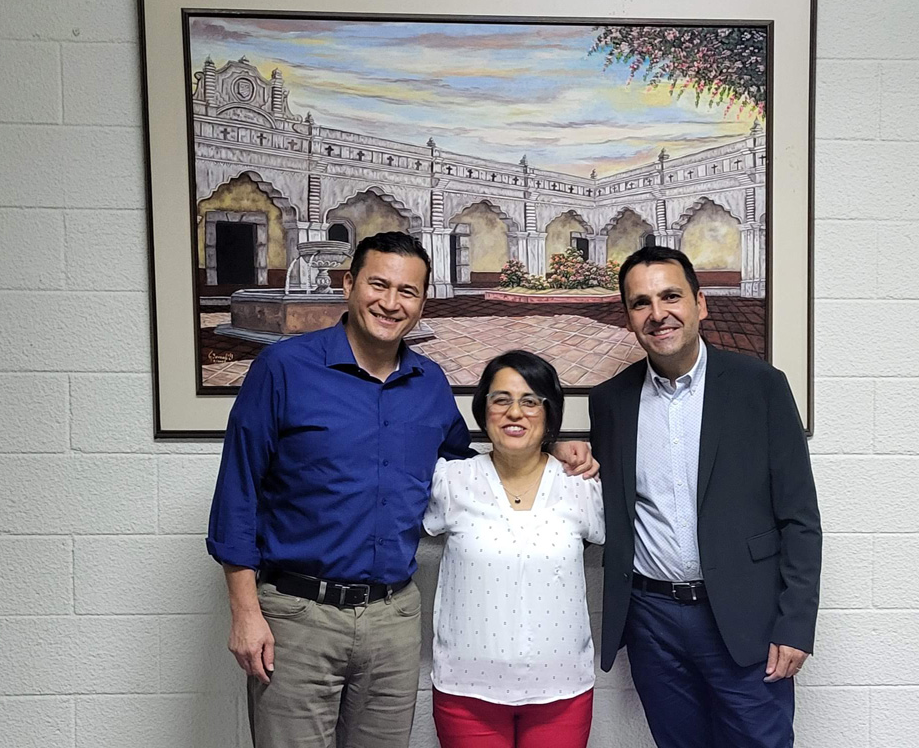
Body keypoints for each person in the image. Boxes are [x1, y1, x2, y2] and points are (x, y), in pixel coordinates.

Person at [206, 231, 597, 748]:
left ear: (422, 302)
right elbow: (238, 493)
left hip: (392, 621)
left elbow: (473, 467)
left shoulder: (429, 382)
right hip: (297, 617)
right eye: (378, 285)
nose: (391, 303)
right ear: (348, 284)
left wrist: (555, 445)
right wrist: (245, 613)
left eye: (407, 292)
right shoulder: (284, 368)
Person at [589, 245, 821, 748]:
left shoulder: (760, 386)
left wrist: (796, 624)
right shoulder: (611, 401)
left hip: (743, 620)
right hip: (652, 624)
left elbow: (800, 517)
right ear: (629, 316)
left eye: (671, 296)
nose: (658, 314)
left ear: (701, 303)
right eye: (641, 303)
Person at [423, 350, 604, 748]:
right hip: (466, 692)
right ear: (483, 409)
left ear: (549, 411)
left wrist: (564, 450)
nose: (514, 413)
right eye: (500, 399)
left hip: (562, 692)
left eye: (530, 401)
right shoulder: (450, 480)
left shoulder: (582, 486)